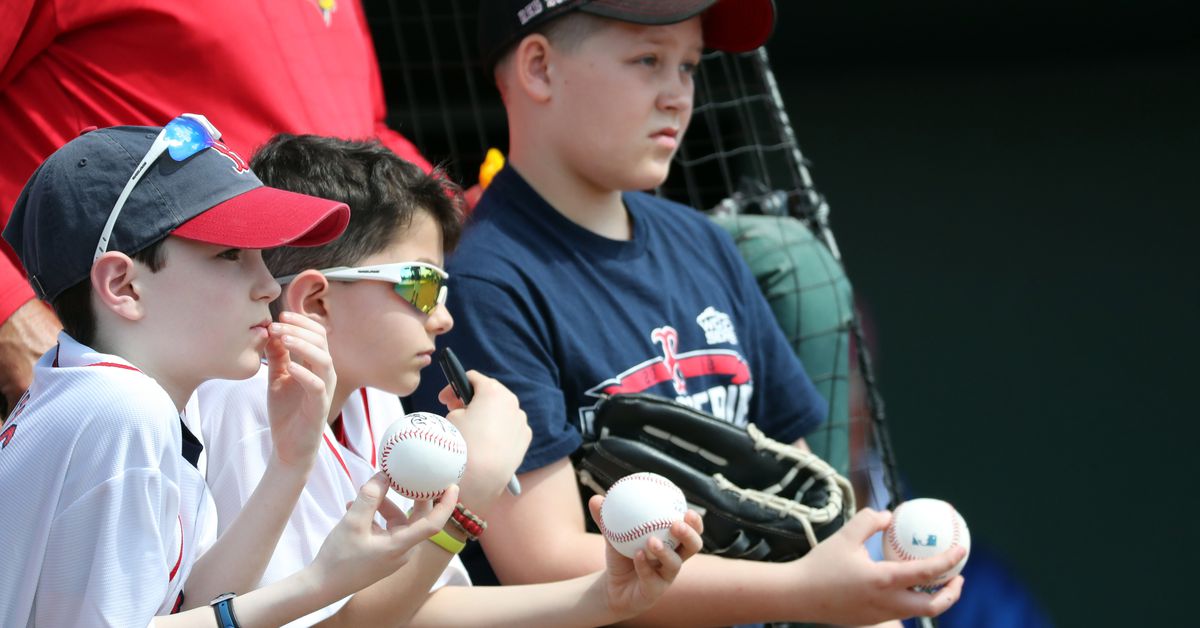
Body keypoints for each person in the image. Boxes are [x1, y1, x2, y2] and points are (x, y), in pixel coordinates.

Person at [408, 0, 966, 625]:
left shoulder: (702, 245)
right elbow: (544, 560)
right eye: (648, 59)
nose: (678, 95)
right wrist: (806, 591)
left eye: (689, 66)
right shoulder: (486, 281)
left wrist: (867, 606)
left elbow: (803, 493)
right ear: (539, 68)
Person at [193, 133, 705, 626]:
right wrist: (469, 498)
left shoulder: (367, 395)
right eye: (420, 286)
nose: (443, 317)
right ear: (317, 301)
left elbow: (414, 609)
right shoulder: (249, 407)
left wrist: (606, 601)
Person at [0, 116, 455, 627]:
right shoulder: (123, 409)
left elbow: (191, 607)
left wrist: (290, 463)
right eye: (230, 255)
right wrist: (323, 580)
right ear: (124, 287)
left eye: (261, 258)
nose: (267, 286)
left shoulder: (100, 391)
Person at [0, 0, 431, 413]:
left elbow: (363, 131)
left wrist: (473, 217)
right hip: (114, 348)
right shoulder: (119, 416)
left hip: (284, 358)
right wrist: (10, 317)